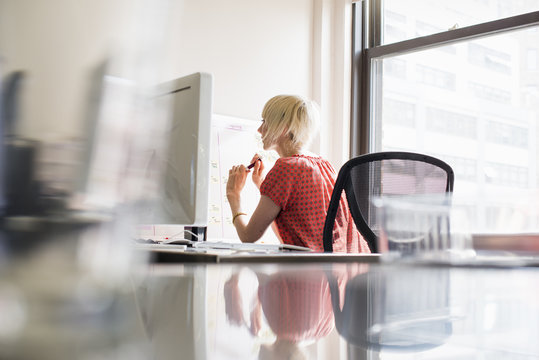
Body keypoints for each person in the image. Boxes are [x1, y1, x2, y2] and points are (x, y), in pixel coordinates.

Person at [226, 94, 370, 253]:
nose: (260, 130)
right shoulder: (324, 165)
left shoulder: (286, 168)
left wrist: (234, 195)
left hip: (308, 275)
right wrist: (262, 185)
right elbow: (290, 237)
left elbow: (248, 237)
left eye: (265, 122)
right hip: (338, 274)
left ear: (284, 128)